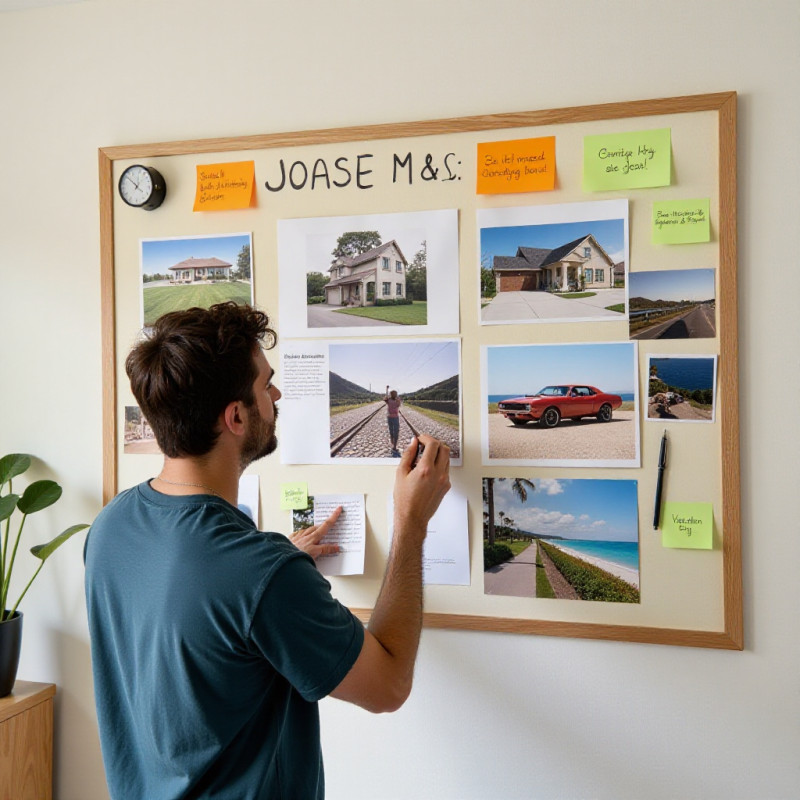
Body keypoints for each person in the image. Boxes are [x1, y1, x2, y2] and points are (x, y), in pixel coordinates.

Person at [84, 302, 450, 800]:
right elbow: (388, 686)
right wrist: (411, 521)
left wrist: (278, 562)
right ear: (236, 417)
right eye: (265, 385)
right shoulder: (261, 574)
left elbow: (196, 613)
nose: (276, 394)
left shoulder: (111, 524)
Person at [384, 384, 403, 455]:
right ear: (395, 394)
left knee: (391, 431)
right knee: (396, 431)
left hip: (389, 417)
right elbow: (398, 404)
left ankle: (393, 444)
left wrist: (387, 389)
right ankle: (394, 446)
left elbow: (386, 397)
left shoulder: (388, 400)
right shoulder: (397, 401)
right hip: (395, 418)